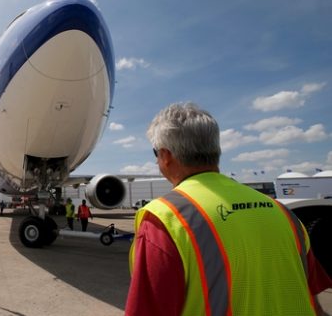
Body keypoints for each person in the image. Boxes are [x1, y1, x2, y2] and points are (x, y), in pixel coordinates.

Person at [125, 102, 332, 316]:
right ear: (216, 150)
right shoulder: (284, 213)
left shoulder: (165, 218)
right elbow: (315, 305)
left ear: (165, 156)